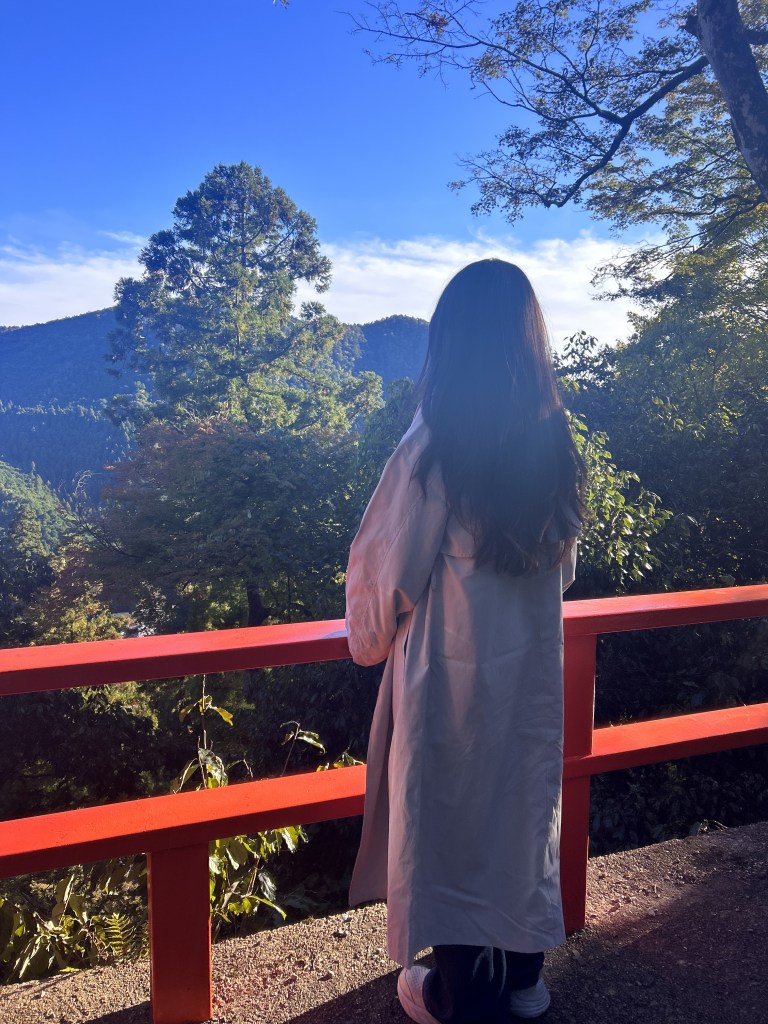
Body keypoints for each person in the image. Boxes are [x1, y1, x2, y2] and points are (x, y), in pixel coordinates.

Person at [344, 259, 584, 1024]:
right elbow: (564, 569)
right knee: (521, 817)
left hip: (450, 685)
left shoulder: (433, 448)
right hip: (530, 677)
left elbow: (384, 580)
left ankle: (458, 998)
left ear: (448, 346)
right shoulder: (554, 442)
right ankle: (525, 982)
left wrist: (368, 638)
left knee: (450, 830)